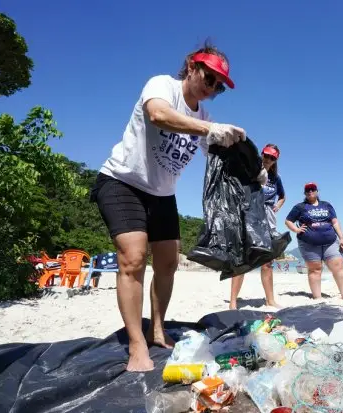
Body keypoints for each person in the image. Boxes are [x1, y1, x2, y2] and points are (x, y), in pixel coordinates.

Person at [90, 42, 254, 372]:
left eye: (219, 86)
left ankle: (158, 329)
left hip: (162, 195)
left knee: (167, 264)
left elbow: (224, 156)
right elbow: (158, 114)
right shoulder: (162, 85)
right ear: (192, 67)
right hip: (123, 181)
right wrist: (210, 129)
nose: (212, 88)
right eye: (210, 79)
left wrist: (255, 170)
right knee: (133, 258)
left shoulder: (204, 116)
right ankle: (137, 345)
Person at [229, 144, 285, 309]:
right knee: (242, 258)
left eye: (272, 157)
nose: (268, 159)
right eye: (266, 155)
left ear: (276, 160)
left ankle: (270, 300)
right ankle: (233, 301)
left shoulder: (276, 178)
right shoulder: (249, 170)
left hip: (267, 217)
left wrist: (277, 206)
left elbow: (282, 196)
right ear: (261, 154)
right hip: (249, 214)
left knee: (267, 260)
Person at [285, 183, 343, 300]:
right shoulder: (300, 207)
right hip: (308, 243)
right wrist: (296, 229)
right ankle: (317, 297)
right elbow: (288, 221)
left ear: (317, 191)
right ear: (305, 193)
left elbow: (335, 222)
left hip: (330, 241)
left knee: (338, 266)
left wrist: (342, 237)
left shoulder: (326, 205)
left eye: (312, 189)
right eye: (307, 190)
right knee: (315, 269)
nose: (310, 191)